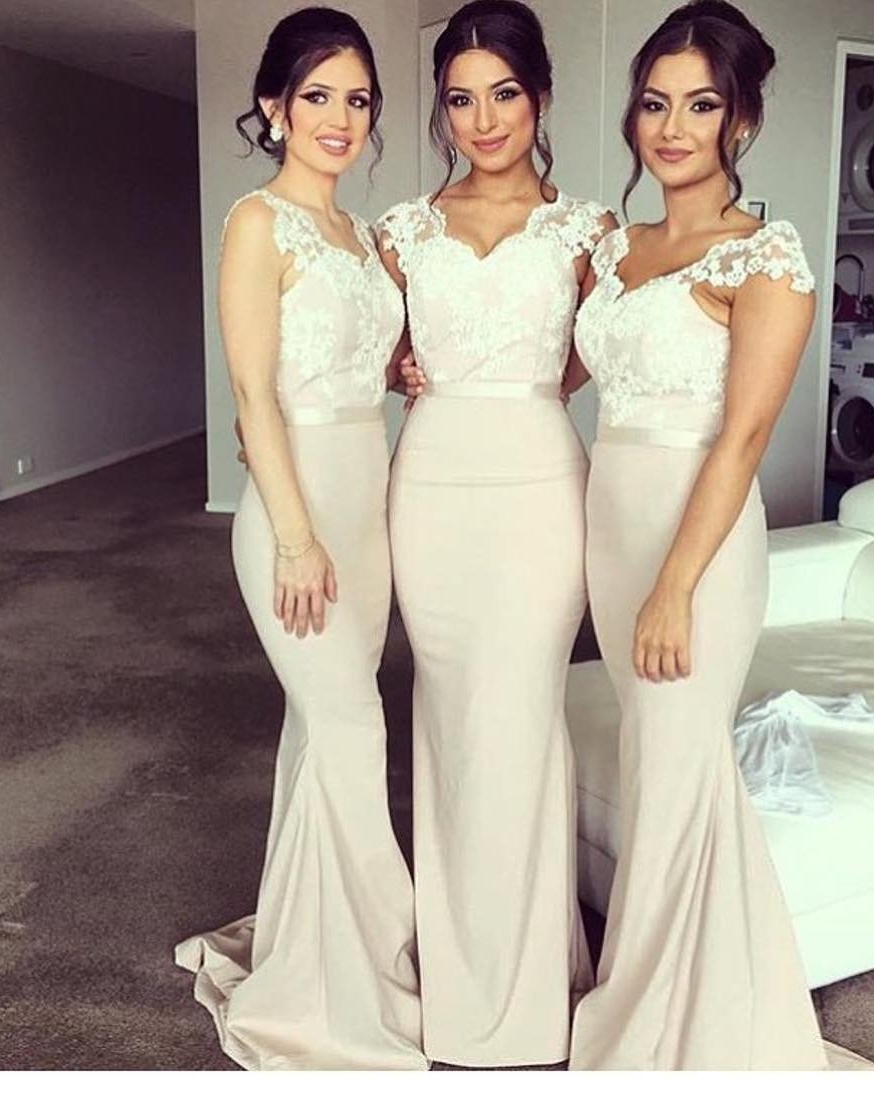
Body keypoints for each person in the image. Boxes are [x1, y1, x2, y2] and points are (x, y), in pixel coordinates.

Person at [567, 0, 843, 1069]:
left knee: (677, 763)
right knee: (660, 762)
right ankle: (709, 995)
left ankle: (662, 1034)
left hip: (701, 546)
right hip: (612, 528)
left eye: (700, 105)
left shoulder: (764, 258)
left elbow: (745, 437)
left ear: (743, 120)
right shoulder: (616, 247)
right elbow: (568, 369)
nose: (672, 128)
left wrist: (676, 586)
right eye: (654, 103)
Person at [173, 8, 425, 1070]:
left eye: (357, 99)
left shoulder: (361, 238)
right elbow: (253, 395)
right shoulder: (257, 222)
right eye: (318, 95)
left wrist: (397, 372)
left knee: (324, 733)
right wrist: (291, 536)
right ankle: (388, 965)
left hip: (366, 507)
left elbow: (348, 364)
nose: (339, 117)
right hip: (297, 515)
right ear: (274, 106)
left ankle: (315, 949)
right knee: (356, 731)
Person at [376, 0, 615, 1068]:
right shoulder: (403, 230)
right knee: (447, 720)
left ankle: (529, 983)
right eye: (461, 99)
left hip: (538, 488)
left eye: (503, 94)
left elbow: (604, 348)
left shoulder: (588, 230)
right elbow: (369, 344)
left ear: (541, 98)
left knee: (521, 717)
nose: (482, 120)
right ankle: (462, 966)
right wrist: (399, 368)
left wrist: (532, 385)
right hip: (430, 485)